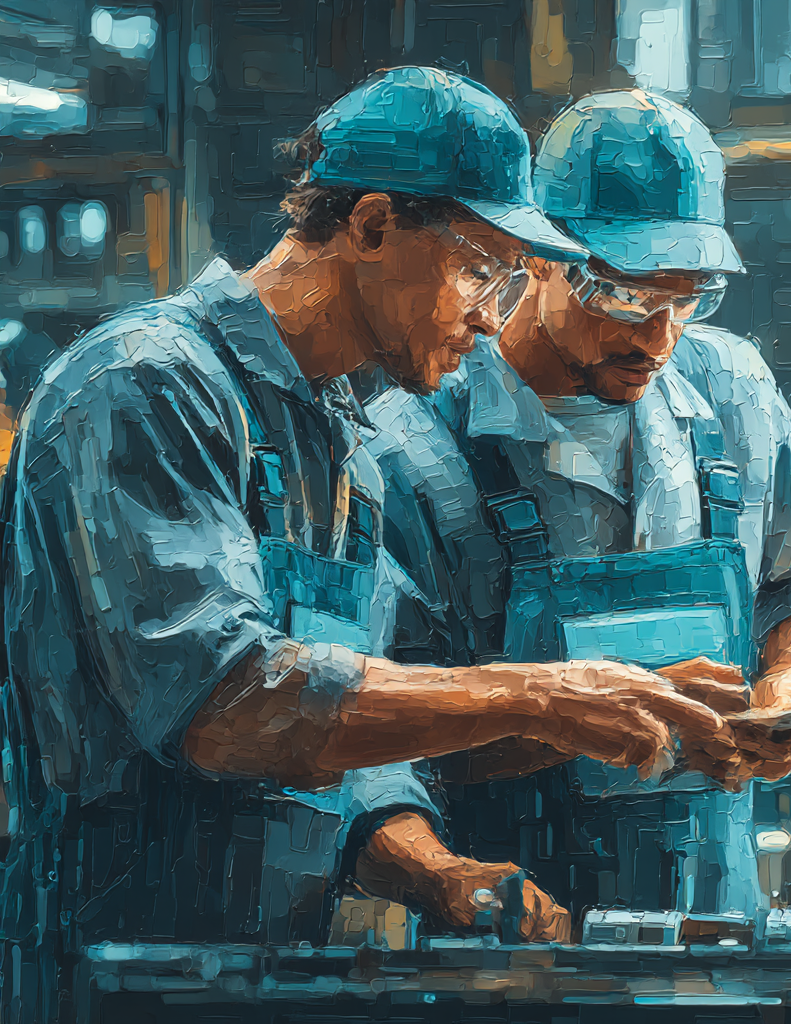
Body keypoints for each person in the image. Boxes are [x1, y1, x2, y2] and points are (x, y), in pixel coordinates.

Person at [0, 68, 741, 1021]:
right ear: (374, 225)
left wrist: (438, 873)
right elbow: (228, 704)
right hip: (109, 976)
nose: (493, 315)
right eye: (481, 269)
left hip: (267, 982)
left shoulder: (343, 438)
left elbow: (356, 723)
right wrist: (544, 695)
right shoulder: (144, 387)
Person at [356, 89, 791, 932]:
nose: (657, 339)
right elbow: (369, 737)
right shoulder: (407, 449)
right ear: (537, 256)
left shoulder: (733, 389)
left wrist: (787, 688)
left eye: (687, 299)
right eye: (626, 296)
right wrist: (586, 722)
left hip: (717, 920)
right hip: (513, 931)